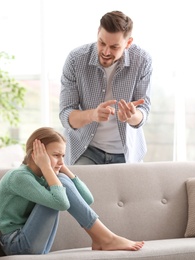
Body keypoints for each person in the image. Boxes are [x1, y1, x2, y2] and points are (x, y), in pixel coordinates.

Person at [0, 127, 144, 255]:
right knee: (60, 185)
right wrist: (47, 167)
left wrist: (62, 168)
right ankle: (106, 238)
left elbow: (87, 199)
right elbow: (62, 203)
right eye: (56, 155)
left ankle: (102, 238)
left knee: (62, 181)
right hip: (16, 245)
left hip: (34, 242)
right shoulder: (19, 177)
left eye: (63, 156)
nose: (61, 161)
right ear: (37, 154)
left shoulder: (45, 176)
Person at [59, 10, 152, 165]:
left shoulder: (142, 61)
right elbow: (65, 115)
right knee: (81, 188)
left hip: (127, 152)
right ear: (97, 33)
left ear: (128, 43)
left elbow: (143, 112)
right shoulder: (76, 60)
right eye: (102, 43)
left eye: (114, 47)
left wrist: (132, 116)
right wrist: (92, 115)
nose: (106, 52)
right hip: (85, 149)